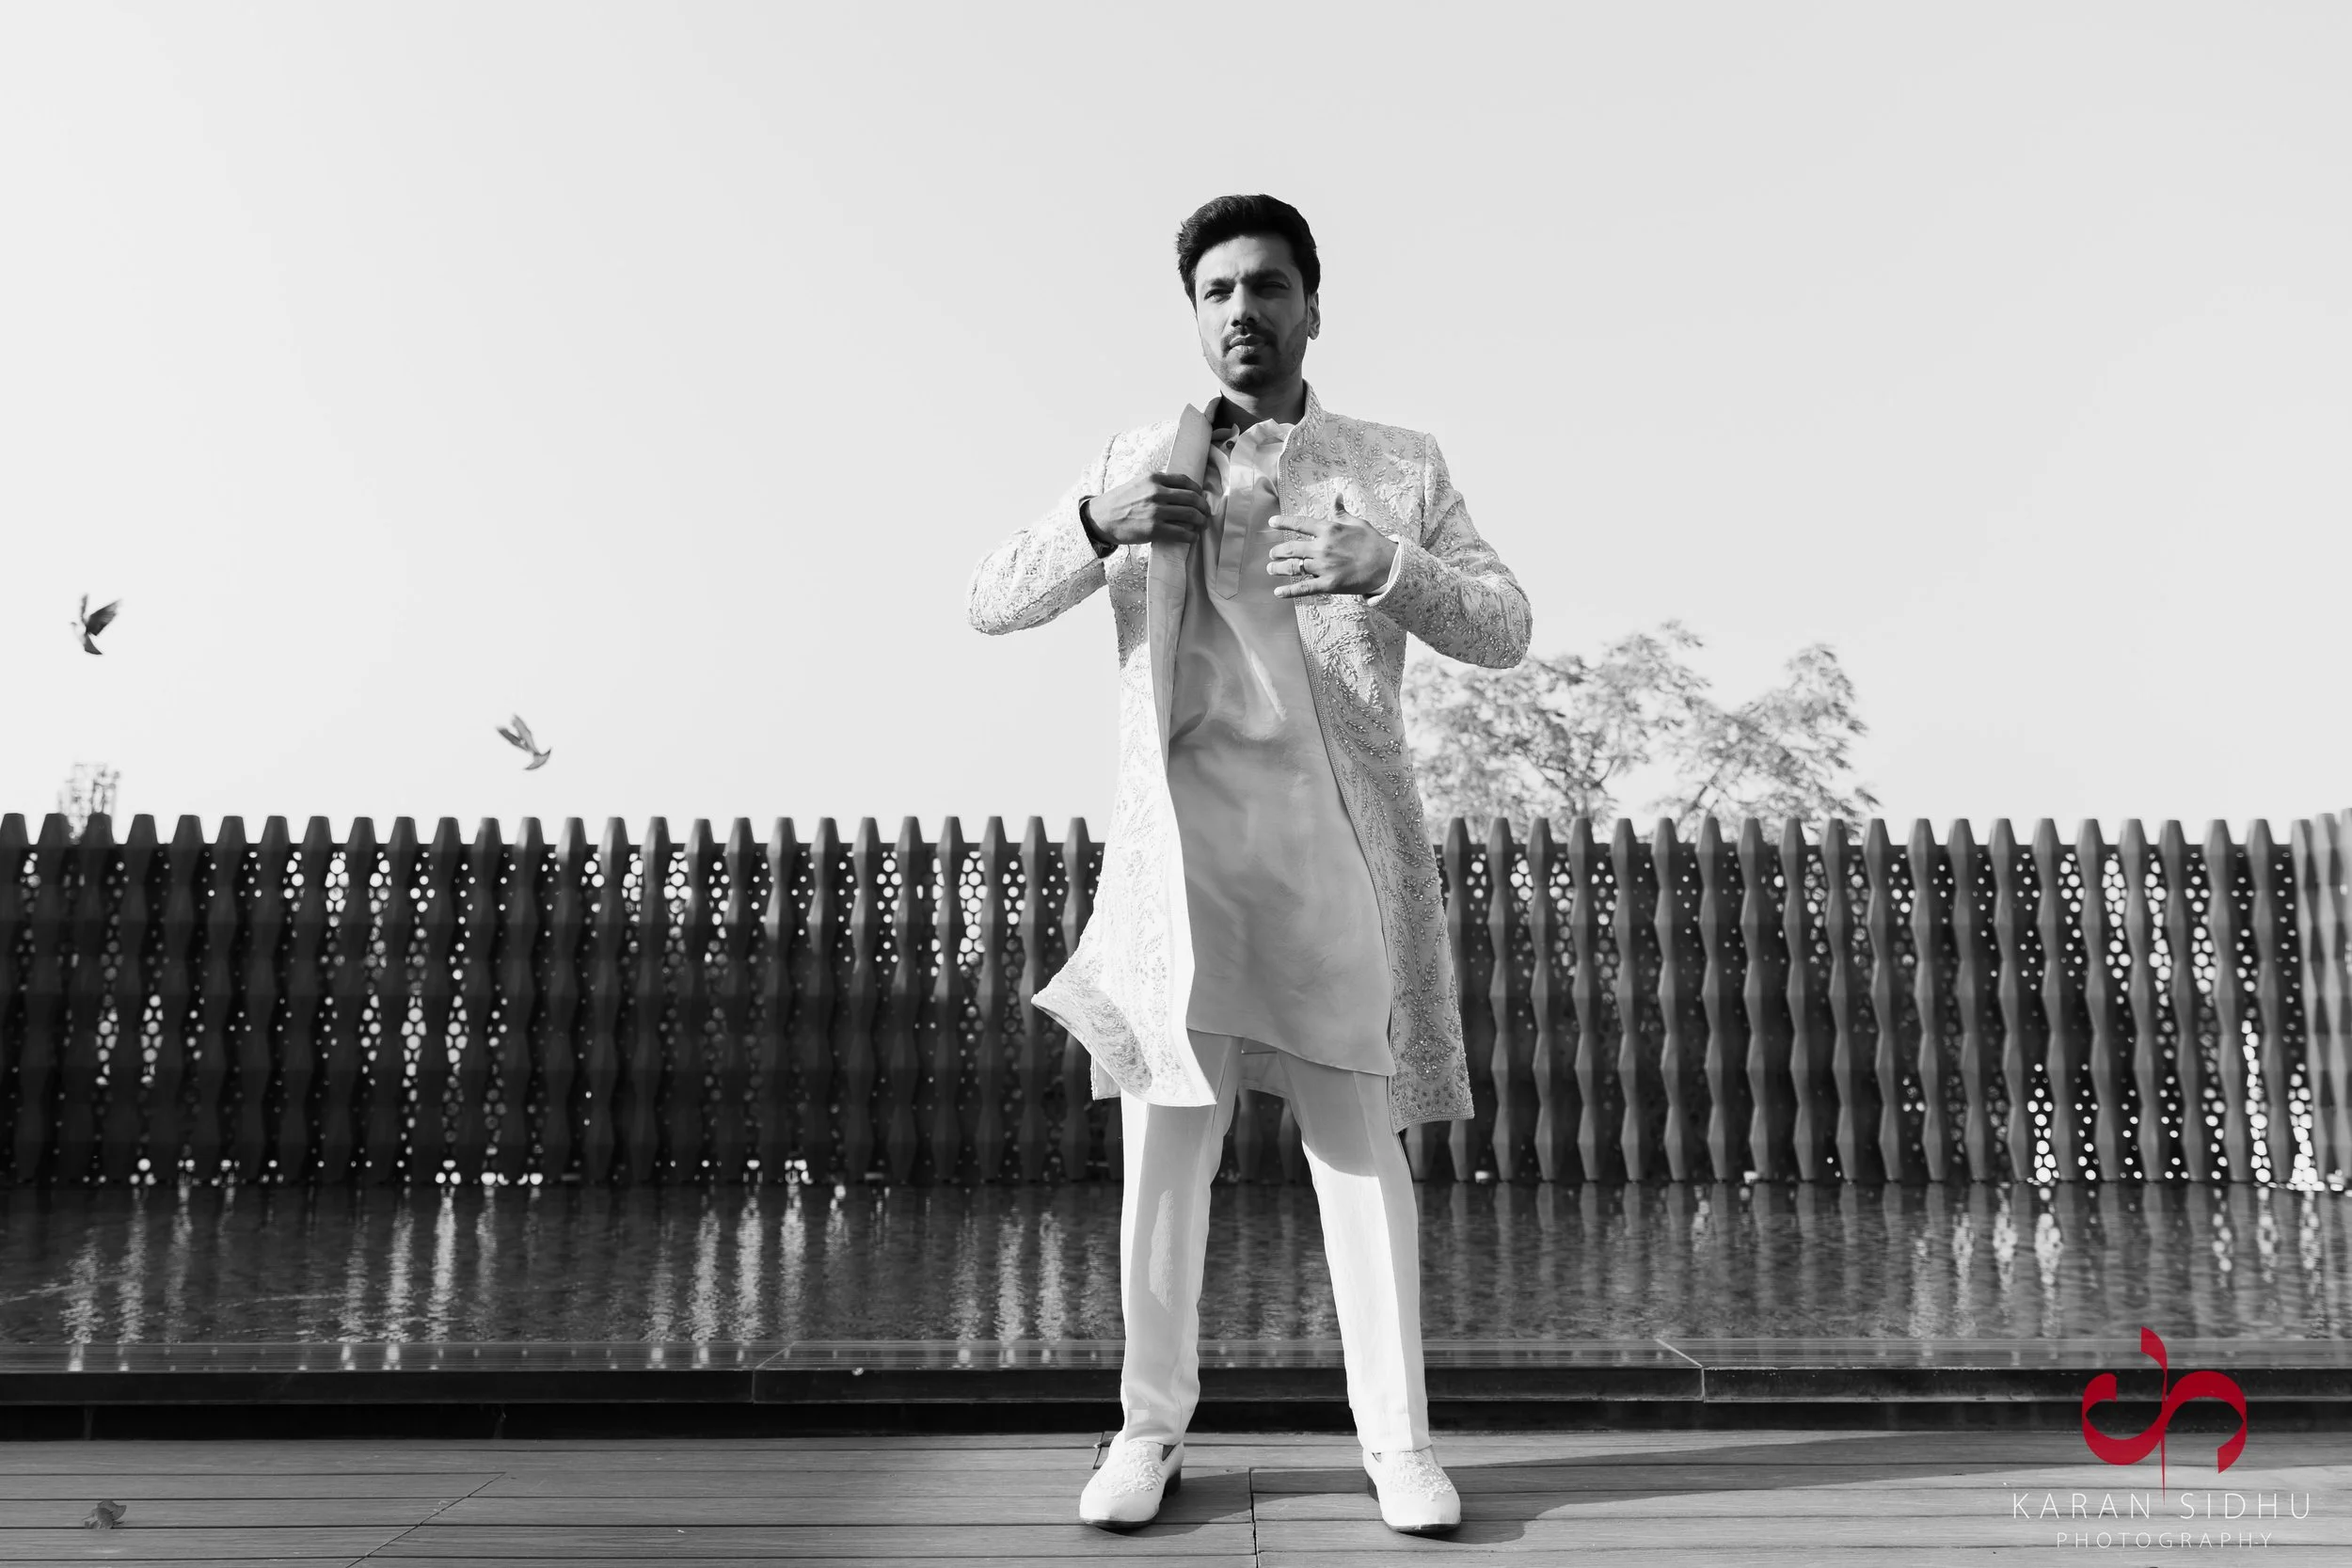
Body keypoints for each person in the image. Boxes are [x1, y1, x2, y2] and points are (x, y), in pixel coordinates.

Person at [964, 193, 1530, 1536]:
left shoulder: (1398, 462)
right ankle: (1147, 1430)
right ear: (1196, 314)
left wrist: (1383, 563)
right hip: (1183, 873)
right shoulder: (1131, 455)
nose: (1241, 311)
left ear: (1311, 307)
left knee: (1359, 1159)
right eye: (1216, 290)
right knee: (1166, 1160)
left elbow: (1505, 622)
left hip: (1334, 865)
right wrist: (1099, 520)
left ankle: (1397, 1445)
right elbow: (988, 594)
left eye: (1266, 286)